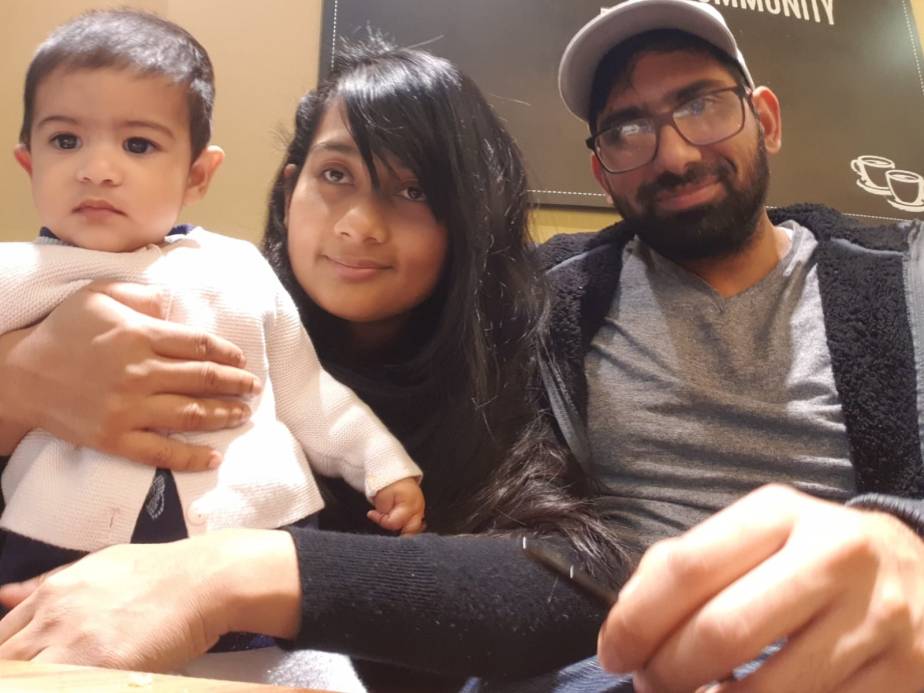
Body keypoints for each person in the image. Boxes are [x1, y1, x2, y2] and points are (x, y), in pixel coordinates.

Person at [0, 34, 627, 690]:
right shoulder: (174, 302)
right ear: (291, 187)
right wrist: (14, 388)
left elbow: (577, 582)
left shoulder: (522, 353)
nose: (358, 225)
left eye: (413, 190)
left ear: (469, 216)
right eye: (335, 175)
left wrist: (228, 577)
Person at [541, 0, 924, 690]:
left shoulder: (907, 279)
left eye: (701, 105)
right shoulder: (548, 297)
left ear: (765, 120)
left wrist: (909, 544)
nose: (676, 155)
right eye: (627, 130)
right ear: (602, 173)